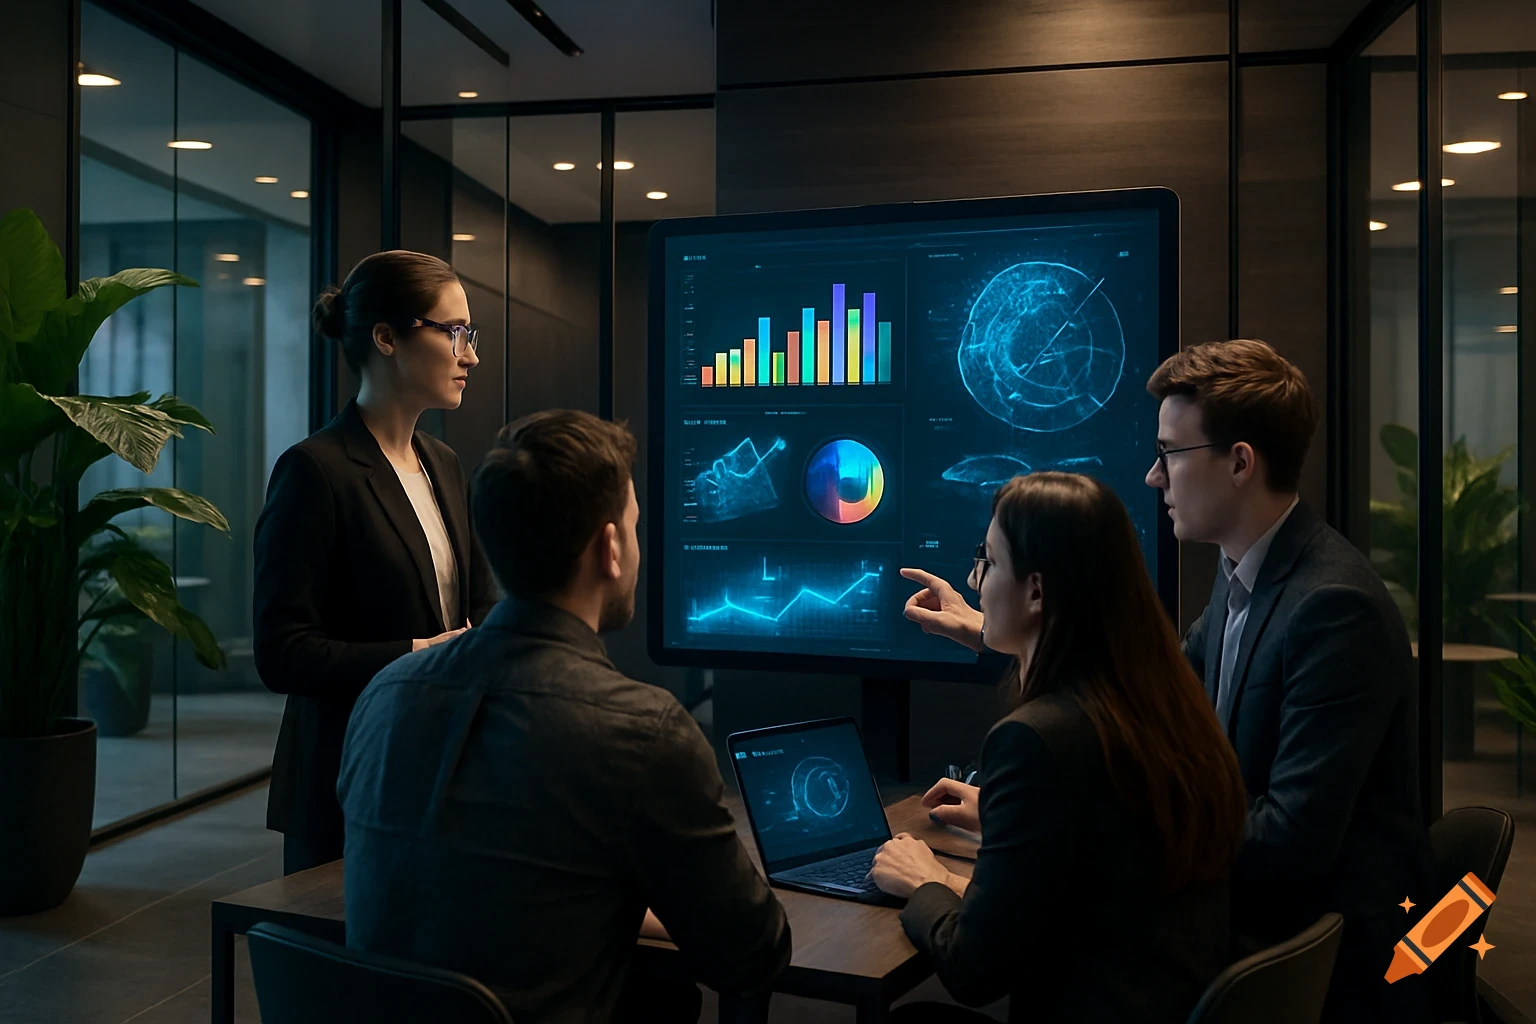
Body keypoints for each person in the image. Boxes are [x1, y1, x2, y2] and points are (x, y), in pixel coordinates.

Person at [902, 340, 1433, 1022]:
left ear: (1240, 462)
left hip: (1326, 966)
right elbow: (1140, 682)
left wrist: (1082, 835)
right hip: (1248, 940)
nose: (1154, 478)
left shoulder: (1332, 606)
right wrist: (982, 627)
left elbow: (1291, 841)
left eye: (1171, 455)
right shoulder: (1253, 576)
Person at [337, 410, 791, 1023]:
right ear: (610, 548)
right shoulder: (644, 731)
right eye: (633, 526)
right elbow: (753, 954)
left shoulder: (383, 696)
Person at [871, 472, 1247, 1023]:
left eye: (990, 563)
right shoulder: (1162, 700)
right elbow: (1097, 877)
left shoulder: (1035, 739)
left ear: (1038, 591)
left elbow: (974, 969)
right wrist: (1006, 826)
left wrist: (926, 881)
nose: (977, 582)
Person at [253, 250, 500, 876]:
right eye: (454, 333)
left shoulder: (443, 461)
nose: (470, 355)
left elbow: (480, 605)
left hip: (438, 767)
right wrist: (416, 656)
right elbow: (281, 651)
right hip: (346, 776)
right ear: (386, 338)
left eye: (471, 336)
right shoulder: (314, 470)